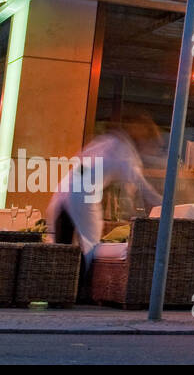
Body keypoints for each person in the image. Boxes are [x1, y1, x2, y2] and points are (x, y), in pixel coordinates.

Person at [49, 108, 163, 265]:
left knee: (63, 249)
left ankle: (63, 281)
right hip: (83, 196)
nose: (149, 147)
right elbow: (143, 189)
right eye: (149, 142)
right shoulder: (126, 153)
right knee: (90, 250)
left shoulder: (108, 141)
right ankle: (79, 284)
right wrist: (165, 205)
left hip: (64, 190)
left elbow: (80, 162)